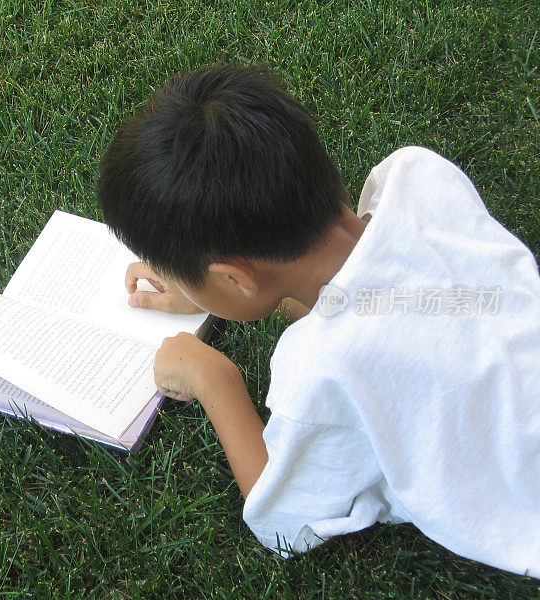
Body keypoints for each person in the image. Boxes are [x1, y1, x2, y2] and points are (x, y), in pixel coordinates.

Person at [97, 64, 540, 577]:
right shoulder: (418, 175)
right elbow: (375, 297)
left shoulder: (324, 366)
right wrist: (207, 289)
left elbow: (283, 524)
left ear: (235, 278)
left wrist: (212, 378)